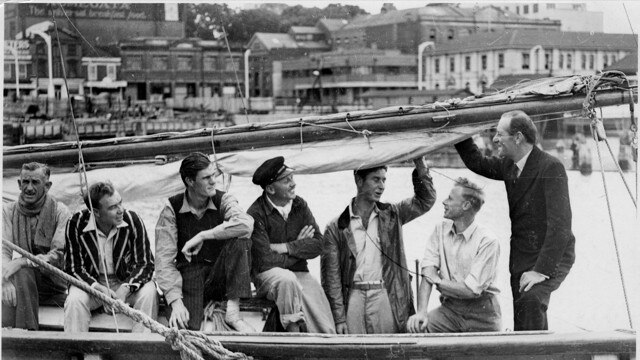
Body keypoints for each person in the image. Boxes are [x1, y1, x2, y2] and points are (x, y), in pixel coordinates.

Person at [454, 110, 575, 331]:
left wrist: (540, 271)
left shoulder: (550, 167)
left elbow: (560, 227)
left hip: (551, 255)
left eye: (500, 134)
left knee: (531, 301)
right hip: (522, 256)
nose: (495, 139)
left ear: (518, 137)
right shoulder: (509, 165)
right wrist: (455, 125)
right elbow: (476, 162)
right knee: (524, 315)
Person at [322, 158, 436, 334]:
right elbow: (332, 279)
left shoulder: (393, 213)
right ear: (359, 180)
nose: (382, 186)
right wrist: (339, 318)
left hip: (385, 294)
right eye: (376, 179)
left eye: (384, 180)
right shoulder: (335, 227)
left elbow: (425, 201)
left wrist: (420, 163)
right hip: (353, 298)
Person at [155, 152, 255, 332]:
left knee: (241, 241)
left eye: (214, 175)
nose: (213, 181)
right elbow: (164, 261)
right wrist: (176, 302)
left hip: (221, 278)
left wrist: (203, 235)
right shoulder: (171, 209)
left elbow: (246, 224)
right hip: (189, 278)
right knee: (186, 329)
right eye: (206, 177)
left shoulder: (223, 200)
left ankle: (233, 311)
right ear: (190, 181)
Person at [247, 157, 336, 334]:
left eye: (292, 178)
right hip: (268, 276)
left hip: (301, 273)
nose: (293, 184)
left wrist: (286, 247)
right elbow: (265, 261)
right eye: (286, 180)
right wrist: (300, 248)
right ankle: (293, 335)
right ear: (271, 189)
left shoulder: (299, 204)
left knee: (325, 326)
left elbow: (319, 244)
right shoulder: (255, 214)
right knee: (287, 280)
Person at [407, 178, 501, 333]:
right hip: (450, 310)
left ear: (466, 205)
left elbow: (470, 290)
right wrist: (421, 312)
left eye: (450, 199)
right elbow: (427, 273)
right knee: (416, 330)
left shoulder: (488, 241)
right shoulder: (440, 230)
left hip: (483, 316)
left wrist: (437, 279)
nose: (444, 202)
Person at [64, 181, 158, 333]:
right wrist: (97, 288)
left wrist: (126, 288)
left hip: (125, 282)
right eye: (113, 207)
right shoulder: (76, 224)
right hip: (92, 284)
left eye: (120, 203)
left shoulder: (133, 220)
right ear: (96, 212)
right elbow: (73, 268)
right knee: (75, 300)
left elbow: (145, 264)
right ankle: (77, 352)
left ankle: (140, 349)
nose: (120, 210)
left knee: (149, 291)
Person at [2, 162, 71, 330]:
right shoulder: (9, 211)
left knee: (23, 271)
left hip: (52, 285)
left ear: (47, 186)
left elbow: (57, 257)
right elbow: (3, 251)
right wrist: (3, 282)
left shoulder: (60, 212)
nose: (29, 188)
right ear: (19, 184)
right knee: (19, 276)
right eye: (25, 182)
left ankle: (25, 336)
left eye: (35, 182)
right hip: (23, 283)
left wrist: (22, 262)